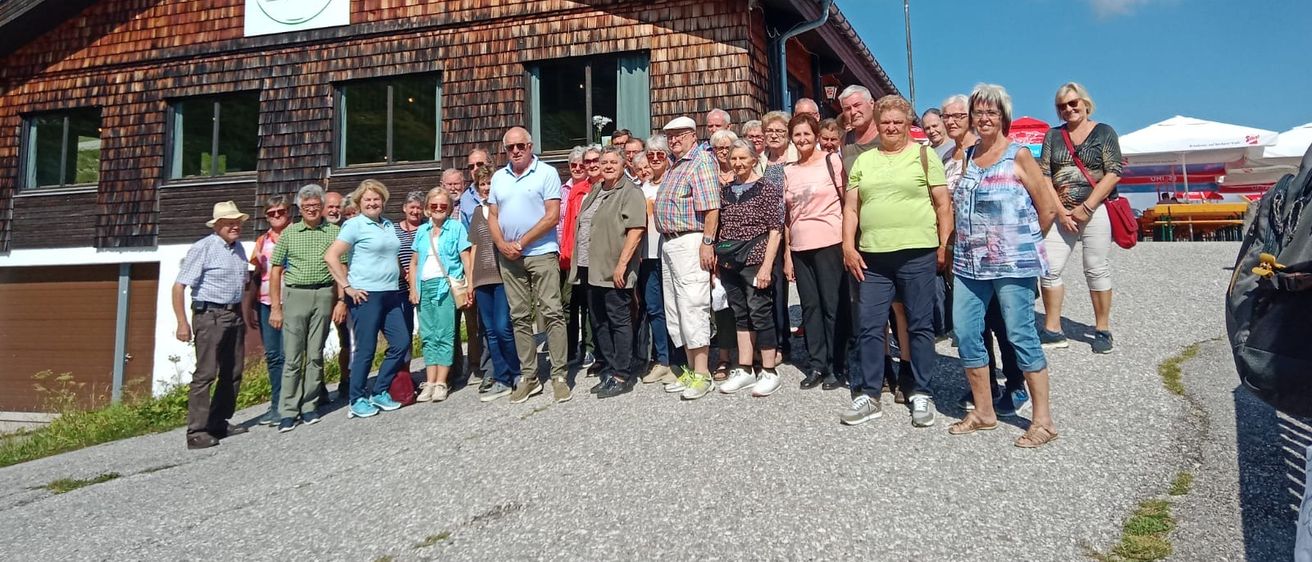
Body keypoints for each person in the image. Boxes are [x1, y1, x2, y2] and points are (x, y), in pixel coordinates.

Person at [947, 83, 1060, 448]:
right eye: (978, 112)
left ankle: (1043, 421)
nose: (984, 118)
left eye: (991, 112)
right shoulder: (968, 155)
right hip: (969, 263)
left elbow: (1047, 208)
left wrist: (1021, 242)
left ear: (1003, 117)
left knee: (1020, 334)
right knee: (966, 332)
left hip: (1012, 265)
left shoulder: (1018, 155)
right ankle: (984, 411)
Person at [840, 95, 952, 428]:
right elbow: (851, 208)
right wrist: (848, 246)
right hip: (873, 256)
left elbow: (943, 204)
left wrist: (943, 245)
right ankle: (871, 393)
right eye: (886, 122)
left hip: (917, 253)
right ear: (878, 124)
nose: (891, 128)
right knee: (870, 325)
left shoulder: (924, 155)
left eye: (897, 122)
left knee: (919, 324)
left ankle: (921, 391)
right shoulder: (864, 161)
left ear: (907, 125)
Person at [942, 93, 1029, 415]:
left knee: (1002, 321)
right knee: (973, 324)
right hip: (965, 252)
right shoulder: (949, 155)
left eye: (957, 116)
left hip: (998, 254)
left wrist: (1018, 243)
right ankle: (987, 384)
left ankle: (1016, 383)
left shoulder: (991, 151)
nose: (951, 121)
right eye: (946, 116)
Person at [1038, 82, 1123, 354]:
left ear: (1085, 103)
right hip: (1062, 211)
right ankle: (1053, 328)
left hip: (1095, 208)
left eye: (1073, 103)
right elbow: (1045, 175)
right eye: (1062, 106)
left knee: (1096, 268)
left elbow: (1113, 172)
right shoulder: (1053, 136)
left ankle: (1102, 328)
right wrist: (1060, 211)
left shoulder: (1104, 132)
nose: (1069, 109)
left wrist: (1087, 206)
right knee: (1049, 268)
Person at [488, 127, 571, 404]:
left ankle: (559, 375)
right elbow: (492, 216)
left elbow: (552, 216)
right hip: (509, 257)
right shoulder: (499, 177)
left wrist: (520, 242)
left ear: (530, 146)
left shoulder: (546, 173)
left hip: (541, 252)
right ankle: (529, 376)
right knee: (519, 316)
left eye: (520, 146)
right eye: (510, 147)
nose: (515, 151)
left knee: (552, 312)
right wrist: (501, 244)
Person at [841, 84, 912, 399]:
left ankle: (907, 370)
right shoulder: (845, 144)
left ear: (872, 104)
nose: (853, 112)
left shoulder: (891, 139)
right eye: (847, 108)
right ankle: (883, 370)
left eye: (857, 105)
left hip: (896, 236)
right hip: (861, 239)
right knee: (872, 311)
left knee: (901, 307)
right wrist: (847, 242)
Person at [324, 180, 409, 418]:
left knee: (401, 342)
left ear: (383, 201)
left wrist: (403, 274)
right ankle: (357, 398)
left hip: (391, 292)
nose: (372, 203)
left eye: (376, 199)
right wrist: (347, 287)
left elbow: (391, 254)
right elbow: (331, 256)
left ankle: (379, 391)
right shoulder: (354, 225)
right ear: (360, 203)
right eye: (367, 200)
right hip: (366, 295)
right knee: (366, 348)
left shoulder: (388, 225)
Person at [172, 201, 253, 449]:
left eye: (237, 222)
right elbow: (179, 286)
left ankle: (218, 421)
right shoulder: (203, 248)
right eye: (229, 223)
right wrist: (182, 323)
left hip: (233, 314)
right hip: (209, 315)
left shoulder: (239, 248)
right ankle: (196, 431)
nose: (235, 226)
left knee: (233, 371)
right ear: (217, 226)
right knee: (206, 373)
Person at [569, 146, 648, 398]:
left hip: (614, 269)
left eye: (614, 162)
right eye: (604, 162)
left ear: (624, 164)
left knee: (618, 320)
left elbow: (636, 230)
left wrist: (622, 265)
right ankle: (609, 368)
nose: (608, 166)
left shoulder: (630, 192)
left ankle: (622, 373)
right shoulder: (596, 190)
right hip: (590, 268)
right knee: (599, 321)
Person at [653, 116, 721, 400]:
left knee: (693, 305)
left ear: (693, 135)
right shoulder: (675, 165)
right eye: (670, 136)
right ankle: (692, 370)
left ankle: (703, 374)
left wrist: (707, 243)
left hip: (690, 240)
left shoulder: (700, 162)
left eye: (680, 135)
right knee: (675, 309)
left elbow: (712, 208)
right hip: (670, 242)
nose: (674, 140)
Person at [267, 184, 341, 432]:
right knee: (292, 356)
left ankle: (309, 405)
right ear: (300, 209)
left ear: (322, 207)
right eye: (307, 206)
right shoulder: (289, 233)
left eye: (316, 205)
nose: (311, 209)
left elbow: (341, 266)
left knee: (315, 354)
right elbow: (276, 270)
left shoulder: (333, 232)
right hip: (296, 294)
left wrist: (341, 300)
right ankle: (288, 410)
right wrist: (276, 307)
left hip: (323, 294)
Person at [716, 140, 786, 397]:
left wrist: (767, 267)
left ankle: (769, 370)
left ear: (754, 159)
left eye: (742, 158)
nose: (737, 163)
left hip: (756, 258)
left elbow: (775, 230)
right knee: (740, 312)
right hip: (729, 260)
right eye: (734, 158)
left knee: (760, 311)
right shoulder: (726, 190)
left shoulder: (767, 188)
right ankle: (745, 368)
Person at [782, 114, 846, 391]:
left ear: (816, 135)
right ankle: (817, 363)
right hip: (800, 246)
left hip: (830, 242)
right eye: (797, 135)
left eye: (807, 134)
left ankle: (836, 364)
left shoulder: (832, 162)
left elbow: (847, 202)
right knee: (810, 307)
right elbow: (787, 216)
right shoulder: (788, 171)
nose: (802, 139)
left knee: (832, 306)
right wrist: (787, 254)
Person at [408, 188, 473, 403]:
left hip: (445, 286)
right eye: (434, 205)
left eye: (443, 206)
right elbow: (414, 262)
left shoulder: (456, 228)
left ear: (449, 208)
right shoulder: (422, 230)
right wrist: (413, 288)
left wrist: (470, 285)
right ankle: (430, 380)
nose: (438, 209)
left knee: (445, 334)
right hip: (424, 286)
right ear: (427, 208)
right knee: (428, 335)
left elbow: (466, 258)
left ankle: (441, 382)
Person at [467, 166, 520, 402]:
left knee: (502, 327)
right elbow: (474, 247)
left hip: (502, 275)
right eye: (482, 184)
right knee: (490, 331)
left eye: (490, 183)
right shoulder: (478, 212)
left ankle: (516, 372)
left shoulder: (505, 210)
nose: (486, 188)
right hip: (481, 276)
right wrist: (470, 282)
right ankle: (501, 378)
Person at [638, 134, 684, 385]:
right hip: (647, 255)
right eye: (650, 154)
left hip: (669, 252)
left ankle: (680, 360)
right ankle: (663, 360)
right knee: (654, 308)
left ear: (667, 157)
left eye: (660, 154)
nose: (655, 159)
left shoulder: (673, 180)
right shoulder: (641, 187)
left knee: (675, 306)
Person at [249, 194, 291, 426]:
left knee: (290, 354)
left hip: (290, 300)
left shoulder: (296, 234)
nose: (276, 216)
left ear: (288, 212)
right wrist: (249, 305)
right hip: (265, 302)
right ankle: (276, 404)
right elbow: (257, 273)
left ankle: (289, 403)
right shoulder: (261, 241)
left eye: (280, 212)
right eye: (271, 213)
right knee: (274, 355)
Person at [561, 145, 601, 369]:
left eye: (582, 164)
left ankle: (590, 348)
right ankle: (570, 349)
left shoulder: (600, 187)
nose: (578, 168)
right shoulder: (574, 191)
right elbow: (569, 226)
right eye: (574, 165)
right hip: (572, 256)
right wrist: (566, 253)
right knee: (569, 303)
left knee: (589, 303)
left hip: (594, 255)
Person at [322, 190, 350, 398]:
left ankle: (346, 380)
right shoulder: (315, 231)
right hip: (322, 291)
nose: (334, 210)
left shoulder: (346, 230)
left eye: (337, 206)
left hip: (344, 292)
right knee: (316, 343)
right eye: (330, 206)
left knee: (347, 340)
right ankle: (317, 387)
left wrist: (343, 299)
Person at [396, 190, 428, 372]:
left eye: (419, 208)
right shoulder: (393, 229)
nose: (415, 211)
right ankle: (404, 373)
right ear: (404, 208)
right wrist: (405, 273)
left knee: (428, 329)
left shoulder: (428, 227)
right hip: (401, 286)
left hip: (424, 284)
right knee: (404, 330)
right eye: (412, 207)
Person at [460, 148, 492, 226]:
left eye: (480, 164)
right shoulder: (465, 198)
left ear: (489, 164)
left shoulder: (501, 189)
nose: (475, 169)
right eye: (471, 166)